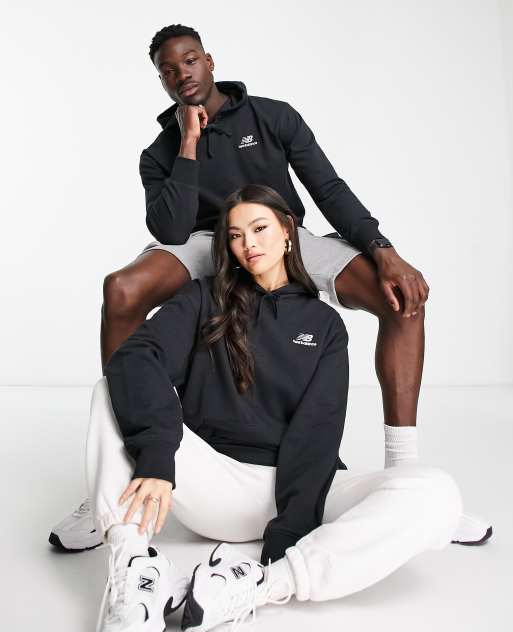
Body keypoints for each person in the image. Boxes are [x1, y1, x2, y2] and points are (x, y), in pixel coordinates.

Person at [49, 23, 490, 552]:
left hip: (283, 233)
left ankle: (405, 478)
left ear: (209, 61)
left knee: (403, 301)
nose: (181, 73)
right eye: (167, 70)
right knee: (120, 290)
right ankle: (115, 476)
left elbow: (327, 187)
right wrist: (188, 143)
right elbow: (170, 229)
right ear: (160, 81)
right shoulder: (159, 151)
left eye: (189, 60)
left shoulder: (272, 116)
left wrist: (383, 250)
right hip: (205, 237)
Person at [88, 185, 463, 632]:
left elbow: (318, 431)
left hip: (291, 489)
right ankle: (135, 570)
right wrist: (158, 456)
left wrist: (289, 532)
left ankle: (262, 584)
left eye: (260, 228)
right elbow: (136, 357)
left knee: (436, 493)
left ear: (288, 232)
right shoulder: (203, 298)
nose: (249, 244)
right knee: (109, 390)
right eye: (235, 236)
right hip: (212, 484)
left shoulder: (325, 326)